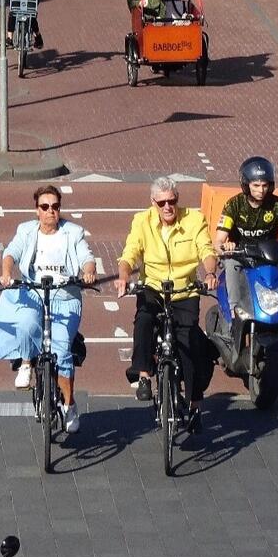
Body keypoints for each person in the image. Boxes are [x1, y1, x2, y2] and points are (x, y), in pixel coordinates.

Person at [0, 185, 97, 434]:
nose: (51, 212)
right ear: (36, 210)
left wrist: (89, 271)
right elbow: (11, 253)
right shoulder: (26, 230)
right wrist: (6, 273)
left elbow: (86, 256)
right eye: (45, 207)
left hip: (65, 297)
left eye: (55, 207)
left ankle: (69, 405)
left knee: (61, 350)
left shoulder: (73, 232)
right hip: (34, 292)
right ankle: (26, 363)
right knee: (25, 323)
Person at [115, 177, 219, 433]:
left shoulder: (193, 220)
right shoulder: (142, 221)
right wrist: (123, 277)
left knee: (190, 346)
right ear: (153, 203)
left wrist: (209, 274)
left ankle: (194, 404)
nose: (167, 207)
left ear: (177, 199)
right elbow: (130, 252)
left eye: (172, 201)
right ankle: (143, 377)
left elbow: (206, 250)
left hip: (184, 291)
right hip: (153, 288)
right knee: (144, 321)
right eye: (161, 202)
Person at [213, 157, 278, 329]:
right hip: (240, 254)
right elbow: (218, 240)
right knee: (230, 264)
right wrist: (225, 246)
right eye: (256, 185)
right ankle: (233, 312)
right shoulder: (233, 205)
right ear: (246, 185)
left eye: (265, 185)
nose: (261, 190)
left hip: (268, 256)